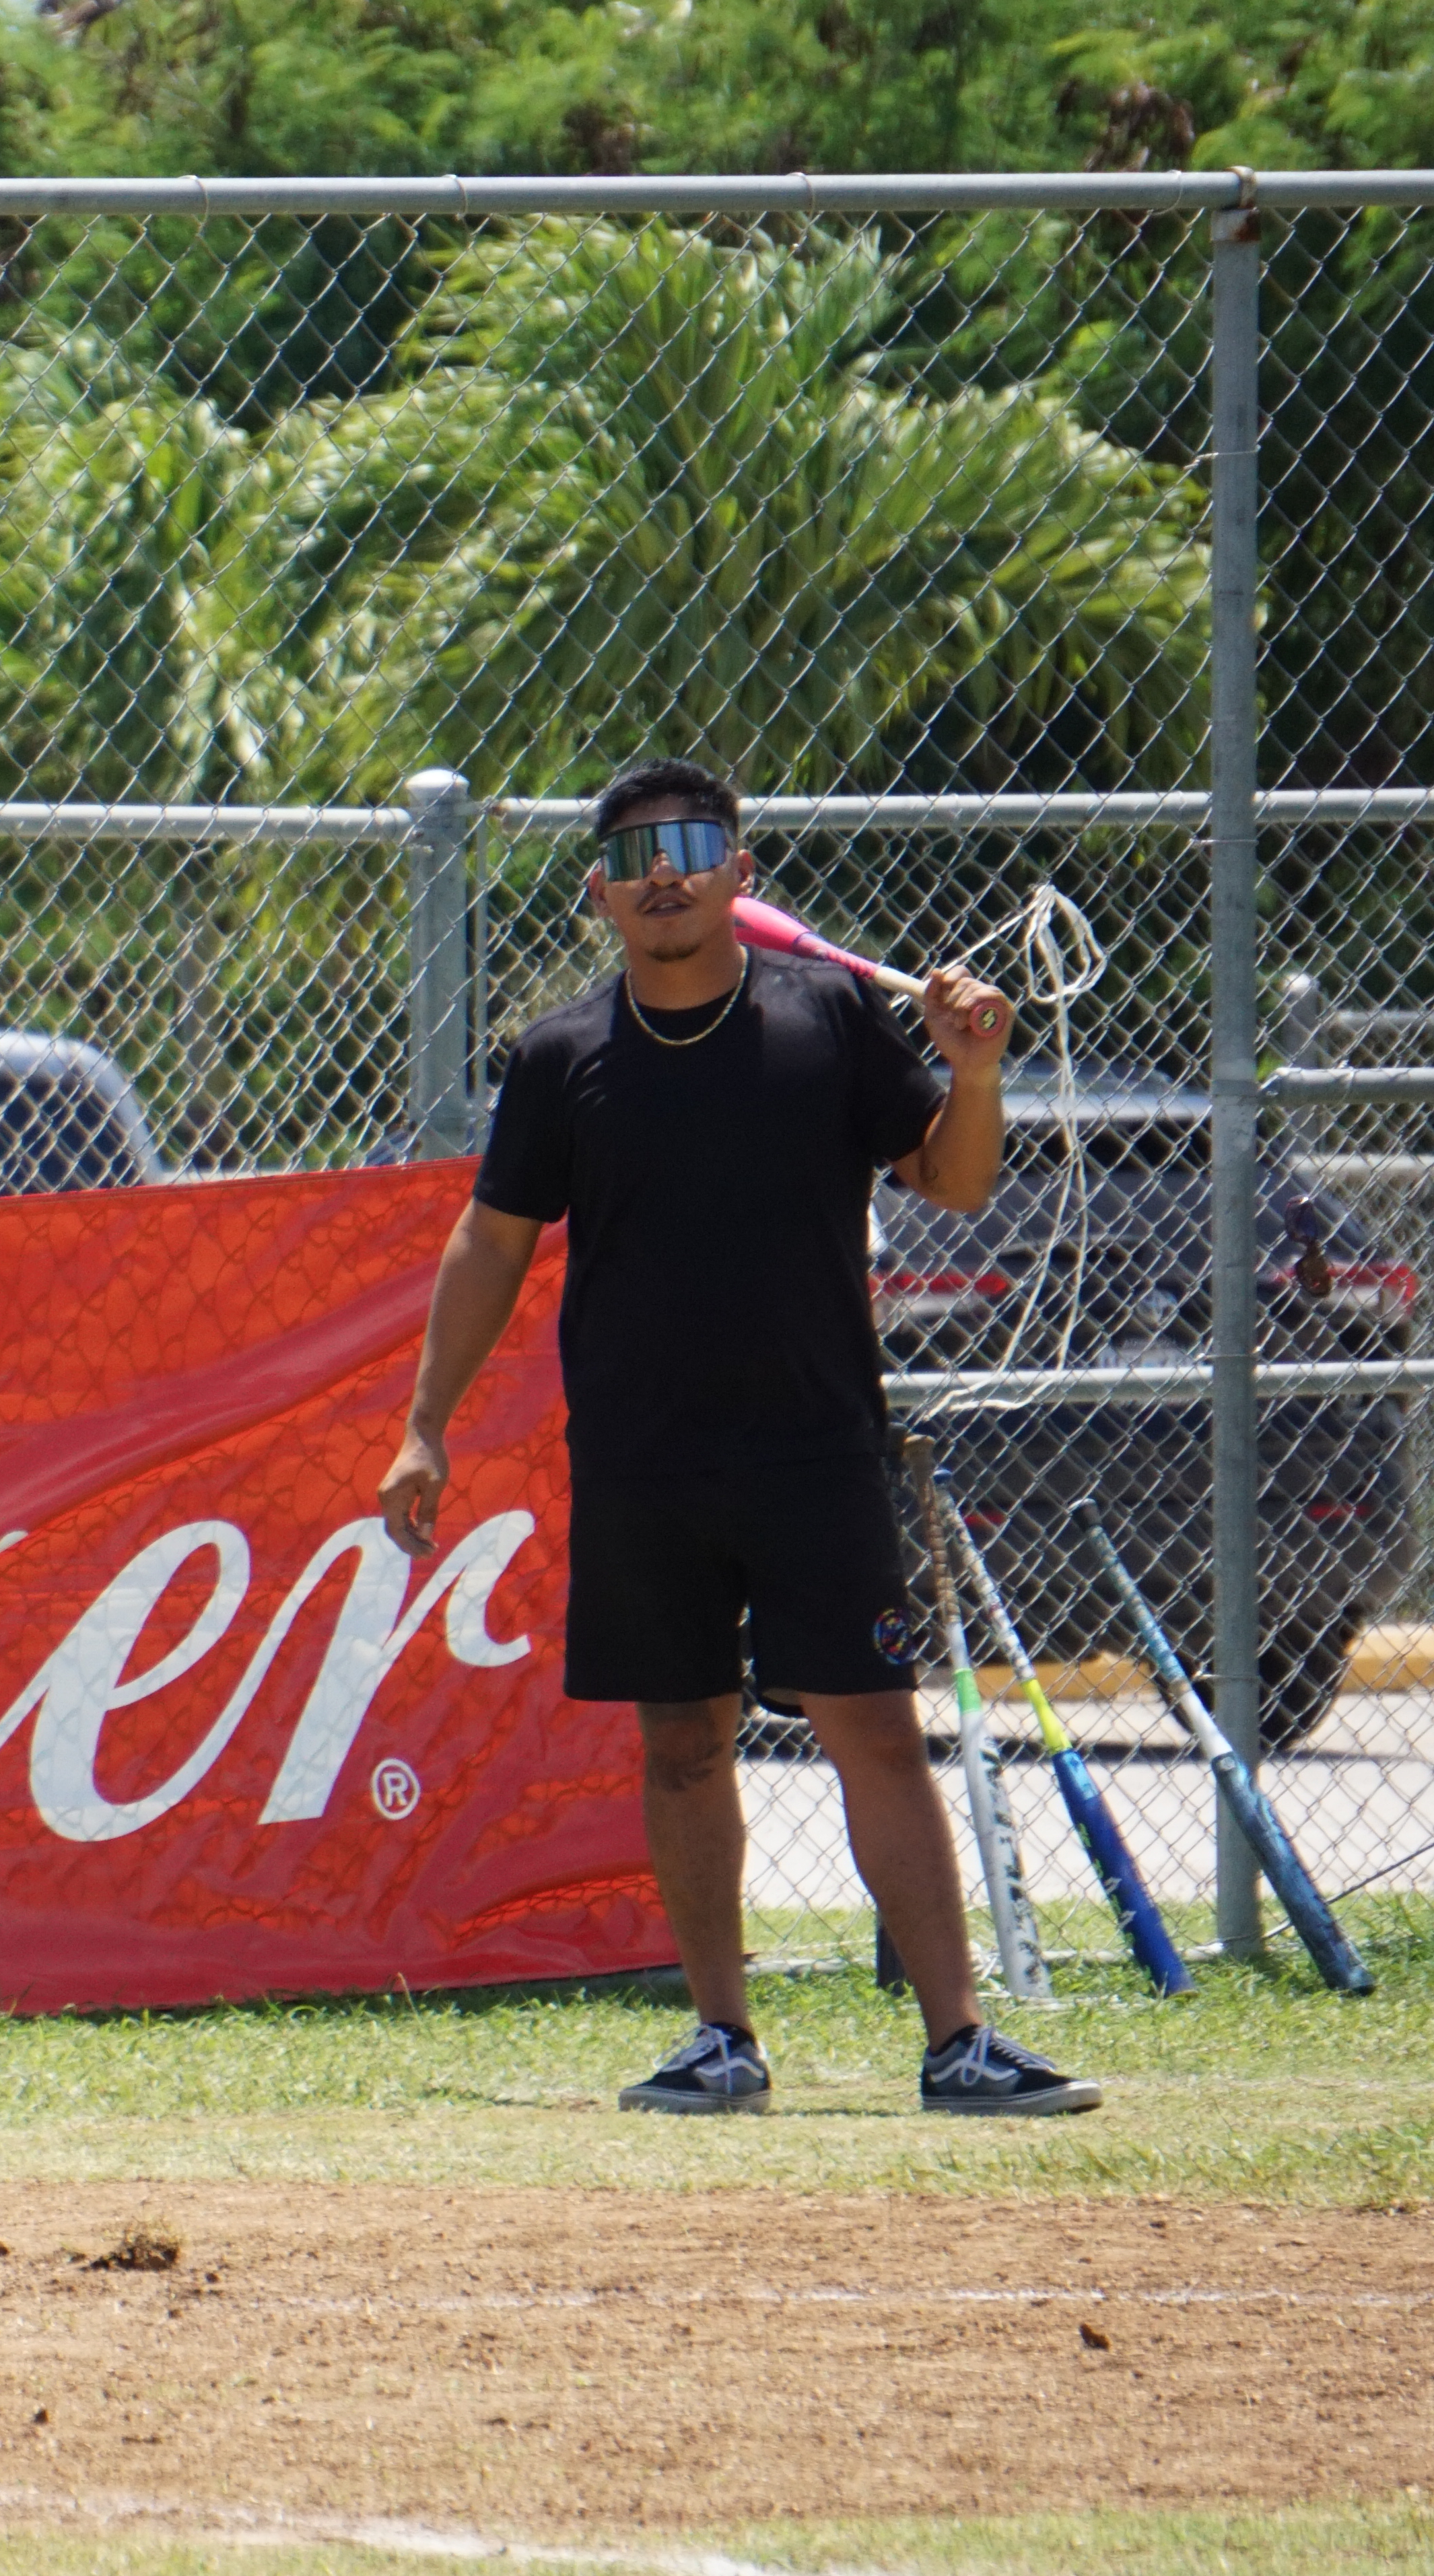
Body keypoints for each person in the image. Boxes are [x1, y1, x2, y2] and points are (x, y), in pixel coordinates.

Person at [376, 757, 1099, 2120]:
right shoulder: (560, 1055)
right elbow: (492, 1239)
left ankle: (959, 2041)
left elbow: (952, 1178)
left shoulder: (825, 1015)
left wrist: (976, 1069)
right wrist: (425, 1424)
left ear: (740, 875)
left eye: (695, 842)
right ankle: (723, 2039)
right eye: (640, 850)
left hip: (816, 1449)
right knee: (682, 1741)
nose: (668, 869)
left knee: (876, 1733)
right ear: (601, 892)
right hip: (646, 1461)